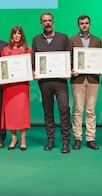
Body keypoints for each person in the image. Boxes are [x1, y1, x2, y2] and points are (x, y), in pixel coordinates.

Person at [32, 11, 72, 154]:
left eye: (49, 20)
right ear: (41, 23)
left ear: (53, 22)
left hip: (61, 82)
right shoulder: (36, 39)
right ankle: (50, 140)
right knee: (48, 111)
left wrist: (68, 70)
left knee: (64, 109)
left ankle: (66, 142)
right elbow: (34, 60)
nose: (47, 23)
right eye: (44, 21)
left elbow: (69, 56)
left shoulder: (63, 37)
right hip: (44, 82)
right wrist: (34, 72)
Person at [69, 15, 101, 151]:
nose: (84, 25)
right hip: (77, 79)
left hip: (93, 79)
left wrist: (101, 68)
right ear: (78, 25)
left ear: (90, 25)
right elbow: (69, 57)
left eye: (86, 23)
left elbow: (100, 58)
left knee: (91, 110)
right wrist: (71, 69)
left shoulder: (97, 40)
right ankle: (77, 138)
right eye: (81, 23)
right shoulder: (71, 40)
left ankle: (90, 138)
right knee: (78, 109)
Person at [1, 26, 32, 151]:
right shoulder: (5, 50)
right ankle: (13, 139)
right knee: (11, 113)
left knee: (22, 112)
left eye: (19, 33)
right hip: (9, 86)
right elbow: (3, 69)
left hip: (22, 86)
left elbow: (29, 67)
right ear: (12, 36)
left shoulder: (28, 50)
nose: (17, 36)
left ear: (22, 35)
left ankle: (23, 140)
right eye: (14, 33)